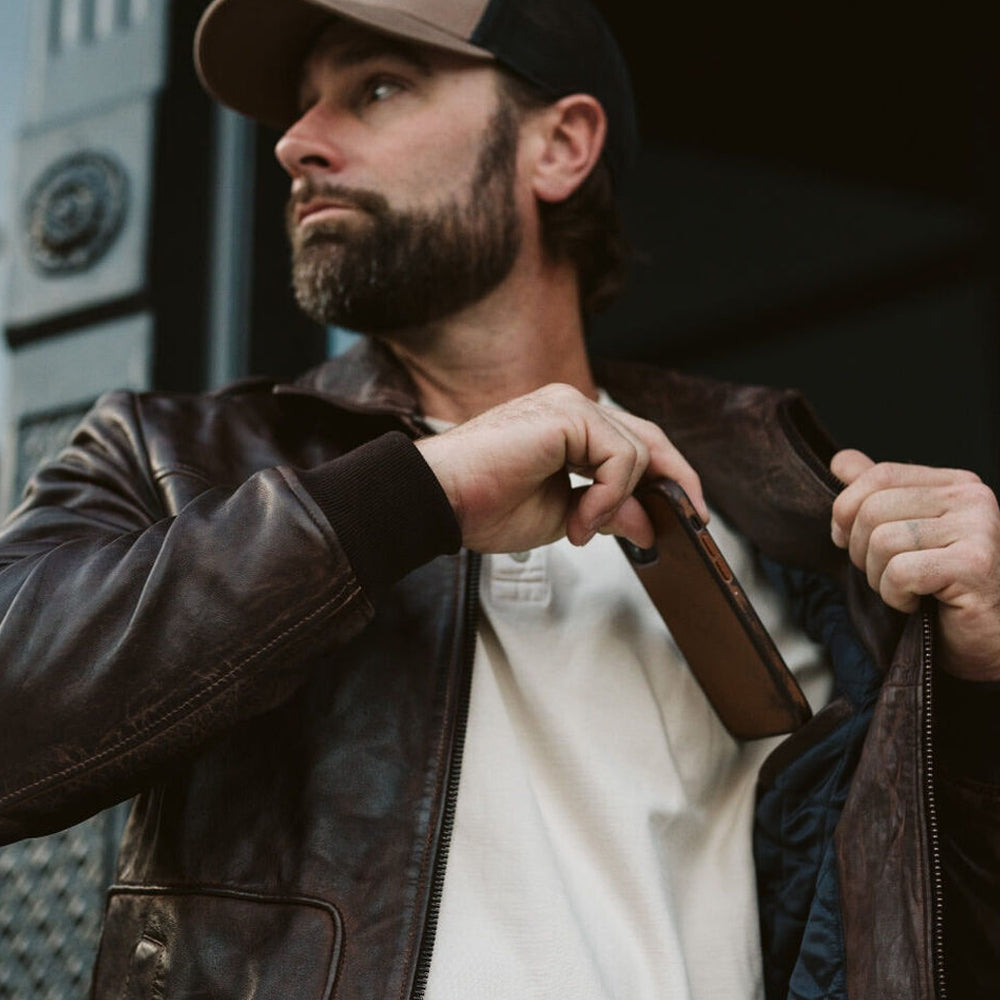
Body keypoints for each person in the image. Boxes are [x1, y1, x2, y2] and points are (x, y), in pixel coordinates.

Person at [0, 0, 998, 997]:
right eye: (301, 110)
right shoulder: (172, 452)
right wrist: (410, 498)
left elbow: (931, 941)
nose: (297, 144)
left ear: (560, 146)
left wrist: (980, 687)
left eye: (376, 89)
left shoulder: (776, 505)